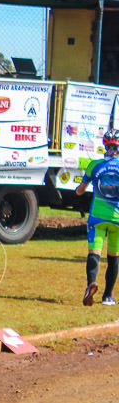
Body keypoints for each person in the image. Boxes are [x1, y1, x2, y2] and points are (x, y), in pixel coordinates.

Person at [75, 128, 119, 306]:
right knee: (114, 256)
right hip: (117, 219)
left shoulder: (94, 165)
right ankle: (108, 296)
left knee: (94, 252)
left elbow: (80, 191)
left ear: (104, 145)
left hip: (97, 217)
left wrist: (78, 191)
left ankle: (90, 284)